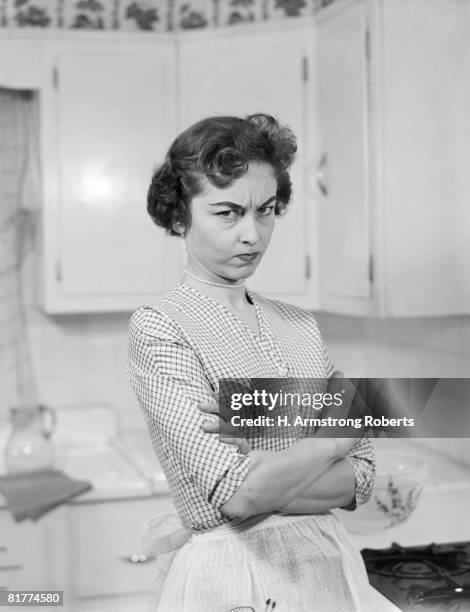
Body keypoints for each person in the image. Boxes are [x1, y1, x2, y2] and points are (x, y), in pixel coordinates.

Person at [128, 114, 375, 612]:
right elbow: (237, 498)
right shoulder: (161, 327)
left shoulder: (300, 325)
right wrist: (339, 435)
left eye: (265, 210)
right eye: (227, 213)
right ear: (180, 216)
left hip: (330, 573)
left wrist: (267, 476)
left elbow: (364, 477)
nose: (253, 235)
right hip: (231, 578)